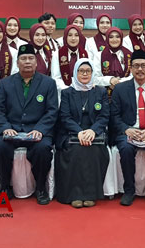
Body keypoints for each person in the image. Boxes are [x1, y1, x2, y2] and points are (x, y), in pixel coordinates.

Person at [0, 44, 58, 205]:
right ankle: (5, 188)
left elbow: (52, 111)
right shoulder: (5, 83)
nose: (27, 62)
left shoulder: (48, 83)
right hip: (12, 130)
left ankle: (41, 188)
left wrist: (39, 130)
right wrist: (6, 128)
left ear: (36, 63)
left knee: (42, 150)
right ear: (17, 62)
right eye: (23, 59)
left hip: (36, 131)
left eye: (30, 58)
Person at [110, 49, 145, 207]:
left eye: (143, 66)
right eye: (136, 66)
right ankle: (129, 190)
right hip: (129, 130)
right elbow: (114, 116)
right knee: (126, 149)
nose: (140, 69)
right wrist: (126, 129)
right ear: (130, 68)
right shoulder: (120, 89)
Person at [54, 58, 110, 208]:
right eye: (81, 71)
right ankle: (75, 195)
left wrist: (92, 131)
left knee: (92, 149)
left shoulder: (100, 91)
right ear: (75, 73)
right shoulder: (67, 92)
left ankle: (90, 195)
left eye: (88, 71)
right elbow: (64, 117)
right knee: (77, 149)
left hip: (94, 133)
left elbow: (104, 116)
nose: (85, 74)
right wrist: (79, 132)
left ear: (92, 73)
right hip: (71, 133)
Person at [97, 27, 132, 94]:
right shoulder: (99, 55)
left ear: (121, 38)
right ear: (107, 39)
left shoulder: (129, 54)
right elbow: (95, 78)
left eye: (117, 37)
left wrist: (119, 82)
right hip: (105, 95)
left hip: (126, 92)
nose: (114, 40)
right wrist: (110, 80)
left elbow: (133, 76)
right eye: (111, 37)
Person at [52, 24, 88, 90]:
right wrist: (68, 89)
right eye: (70, 35)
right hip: (63, 92)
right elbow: (55, 78)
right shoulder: (57, 54)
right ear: (65, 37)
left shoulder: (85, 53)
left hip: (82, 91)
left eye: (76, 35)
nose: (73, 38)